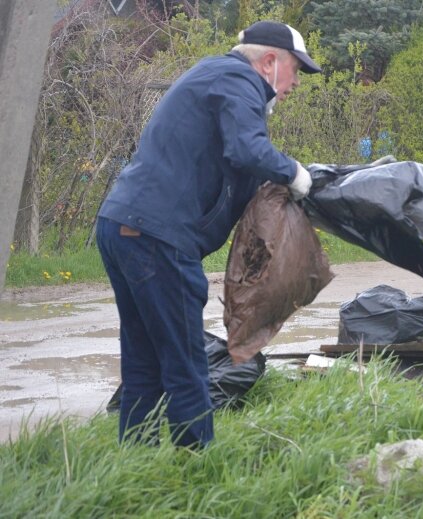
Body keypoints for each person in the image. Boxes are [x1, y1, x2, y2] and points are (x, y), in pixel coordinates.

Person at [96, 21, 321, 448]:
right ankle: (196, 466)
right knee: (185, 363)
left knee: (145, 360)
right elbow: (248, 150)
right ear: (270, 62)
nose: (294, 84)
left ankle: (136, 459)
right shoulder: (238, 79)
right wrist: (295, 173)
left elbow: (236, 166)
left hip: (124, 225)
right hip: (157, 235)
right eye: (295, 70)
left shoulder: (215, 78)